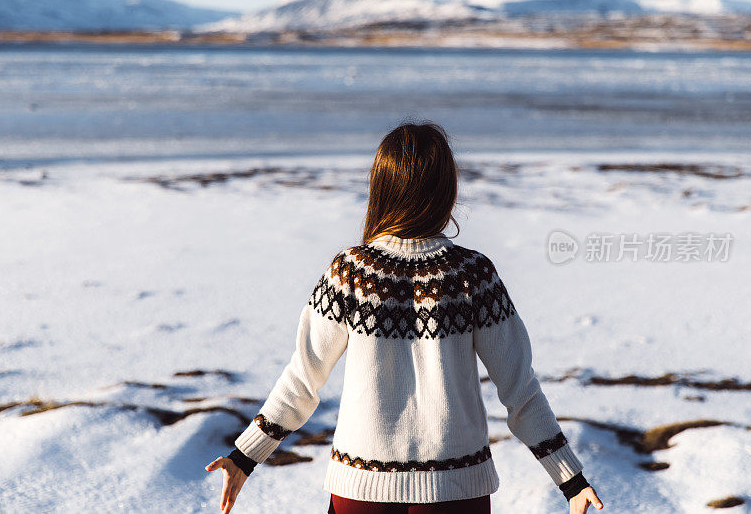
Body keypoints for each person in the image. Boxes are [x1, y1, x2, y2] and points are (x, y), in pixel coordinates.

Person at [206, 122, 605, 514]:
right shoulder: (472, 274)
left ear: (381, 187)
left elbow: (302, 380)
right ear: (445, 190)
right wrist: (570, 480)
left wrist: (245, 456)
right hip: (455, 491)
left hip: (361, 490)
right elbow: (521, 390)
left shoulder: (351, 273)